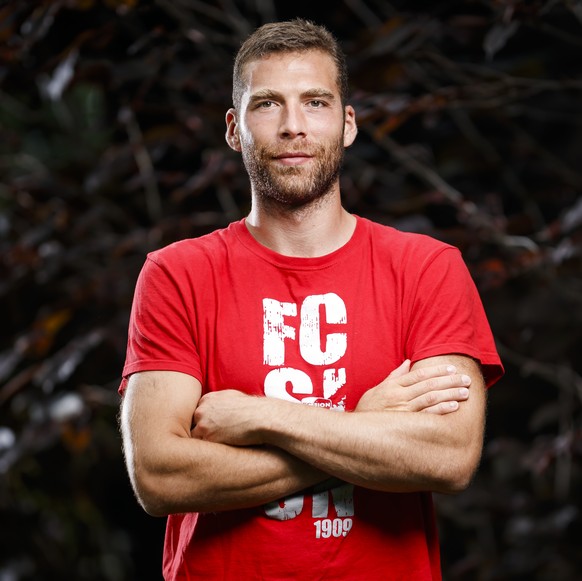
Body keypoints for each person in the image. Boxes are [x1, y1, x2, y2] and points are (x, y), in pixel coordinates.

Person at [119, 18, 504, 580]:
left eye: (316, 102)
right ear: (234, 127)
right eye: (268, 103)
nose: (294, 126)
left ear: (348, 124)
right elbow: (159, 478)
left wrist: (263, 417)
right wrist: (364, 423)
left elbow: (447, 457)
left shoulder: (427, 268)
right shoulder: (178, 274)